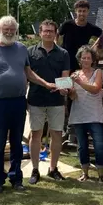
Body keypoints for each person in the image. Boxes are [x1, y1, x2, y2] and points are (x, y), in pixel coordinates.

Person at [0, 15, 58, 194]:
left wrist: (46, 84)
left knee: (16, 141)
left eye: (12, 29)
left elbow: (29, 73)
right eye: (5, 29)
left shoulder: (22, 49)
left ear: (15, 31)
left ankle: (16, 178)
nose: (8, 32)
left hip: (18, 101)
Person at [27, 20, 71, 184]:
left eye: (51, 31)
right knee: (36, 134)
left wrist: (63, 87)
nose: (48, 34)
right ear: (40, 33)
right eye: (45, 31)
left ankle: (53, 169)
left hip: (56, 100)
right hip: (36, 99)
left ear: (55, 33)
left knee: (56, 134)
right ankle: (35, 169)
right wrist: (46, 84)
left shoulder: (63, 53)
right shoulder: (30, 52)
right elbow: (28, 74)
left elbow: (65, 75)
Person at [68, 46, 103, 182]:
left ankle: (101, 173)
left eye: (88, 58)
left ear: (92, 60)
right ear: (79, 59)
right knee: (82, 146)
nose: (85, 60)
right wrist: (68, 90)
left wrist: (79, 82)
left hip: (95, 115)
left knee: (99, 145)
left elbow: (95, 89)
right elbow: (73, 97)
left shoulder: (98, 72)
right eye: (83, 57)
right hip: (79, 115)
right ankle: (85, 173)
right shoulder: (75, 74)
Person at [59, 0, 103, 72]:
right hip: (65, 58)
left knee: (78, 81)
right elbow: (57, 33)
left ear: (88, 12)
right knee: (63, 81)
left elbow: (102, 35)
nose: (82, 13)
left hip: (80, 61)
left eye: (84, 11)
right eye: (79, 11)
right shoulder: (67, 24)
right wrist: (56, 46)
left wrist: (94, 47)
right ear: (76, 11)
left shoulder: (91, 28)